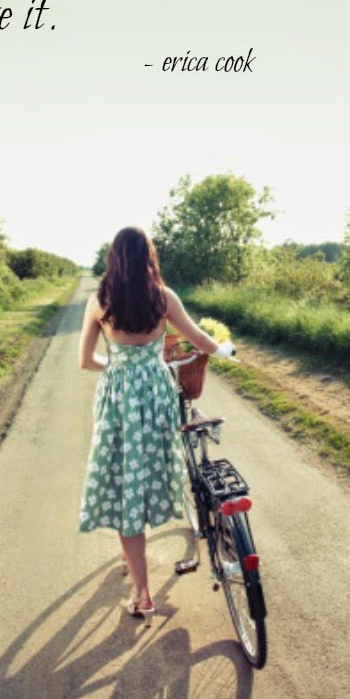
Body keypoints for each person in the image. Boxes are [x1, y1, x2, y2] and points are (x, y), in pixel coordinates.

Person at [78, 226, 234, 625]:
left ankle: (143, 594)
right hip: (157, 397)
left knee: (122, 480)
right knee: (150, 469)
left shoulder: (100, 301)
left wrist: (116, 368)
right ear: (148, 256)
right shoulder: (163, 298)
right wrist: (225, 351)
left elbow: (85, 361)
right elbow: (198, 338)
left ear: (113, 259)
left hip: (118, 401)